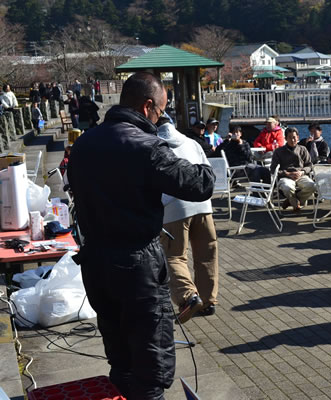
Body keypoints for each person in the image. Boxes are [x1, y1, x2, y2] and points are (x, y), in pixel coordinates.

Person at [67, 72, 215, 400]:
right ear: (148, 106)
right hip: (138, 267)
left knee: (121, 360)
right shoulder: (147, 146)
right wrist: (198, 148)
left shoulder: (83, 144)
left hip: (96, 262)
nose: (160, 118)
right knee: (151, 367)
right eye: (161, 112)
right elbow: (200, 184)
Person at [157, 117, 219, 321]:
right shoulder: (191, 143)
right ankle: (208, 302)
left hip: (174, 207)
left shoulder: (155, 145)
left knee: (173, 256)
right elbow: (208, 171)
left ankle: (188, 297)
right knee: (207, 254)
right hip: (203, 204)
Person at [270, 127, 315, 212]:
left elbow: (309, 165)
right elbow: (273, 169)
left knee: (312, 186)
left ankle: (291, 201)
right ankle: (295, 203)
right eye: (290, 137)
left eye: (294, 137)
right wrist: (287, 173)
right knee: (287, 188)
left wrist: (302, 172)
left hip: (300, 175)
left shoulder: (303, 149)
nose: (292, 140)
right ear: (285, 138)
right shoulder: (278, 151)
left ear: (298, 137)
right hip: (286, 176)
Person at [249, 116, 284, 183]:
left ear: (275, 124)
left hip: (270, 152)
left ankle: (268, 174)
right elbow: (256, 141)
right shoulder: (264, 132)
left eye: (269, 123)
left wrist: (265, 148)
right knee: (251, 154)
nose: (267, 125)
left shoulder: (279, 132)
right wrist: (259, 147)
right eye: (266, 123)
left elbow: (279, 144)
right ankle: (254, 174)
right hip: (261, 152)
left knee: (272, 153)